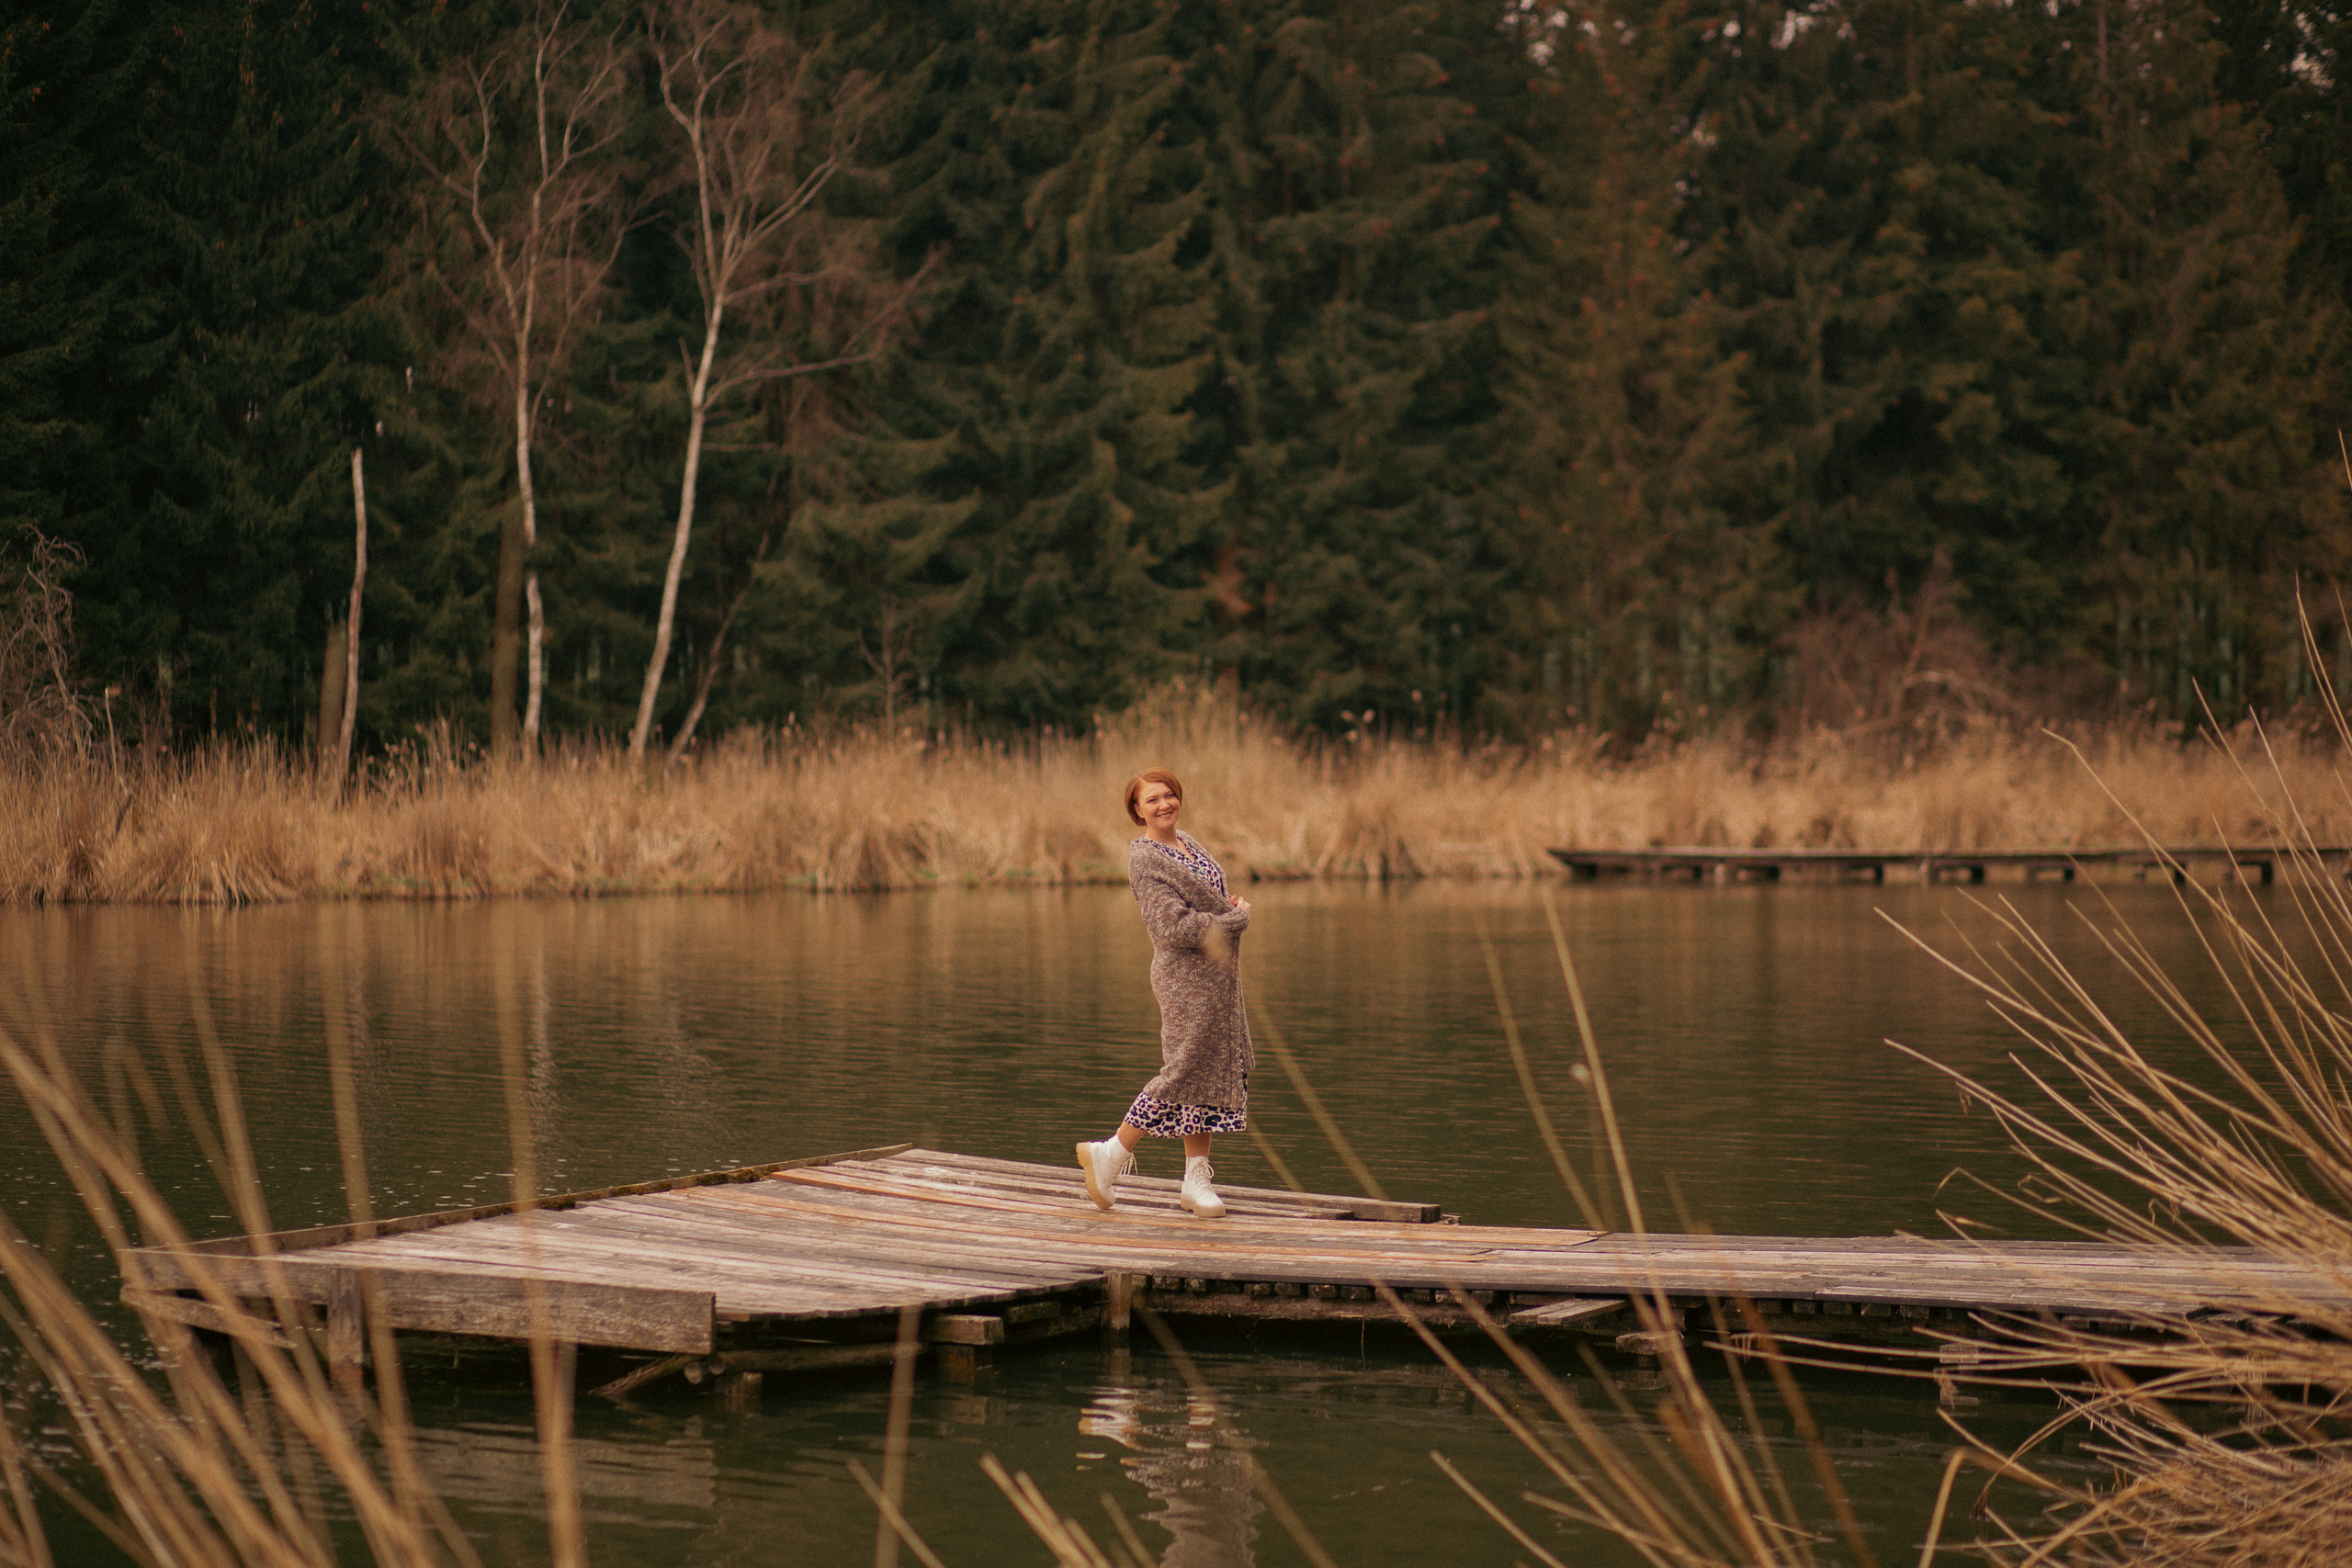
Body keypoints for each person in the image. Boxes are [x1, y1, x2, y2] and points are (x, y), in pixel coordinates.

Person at [1076, 769, 1252, 1219]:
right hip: (1185, 979)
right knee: (1183, 1069)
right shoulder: (1146, 860)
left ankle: (1195, 1181)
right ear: (1137, 811)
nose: (1164, 804)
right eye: (1151, 799)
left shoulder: (1188, 844)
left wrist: (1227, 906)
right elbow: (1172, 927)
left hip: (1217, 978)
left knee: (1208, 1071)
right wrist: (1232, 922)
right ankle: (1111, 1153)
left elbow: (1206, 901)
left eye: (1169, 795)